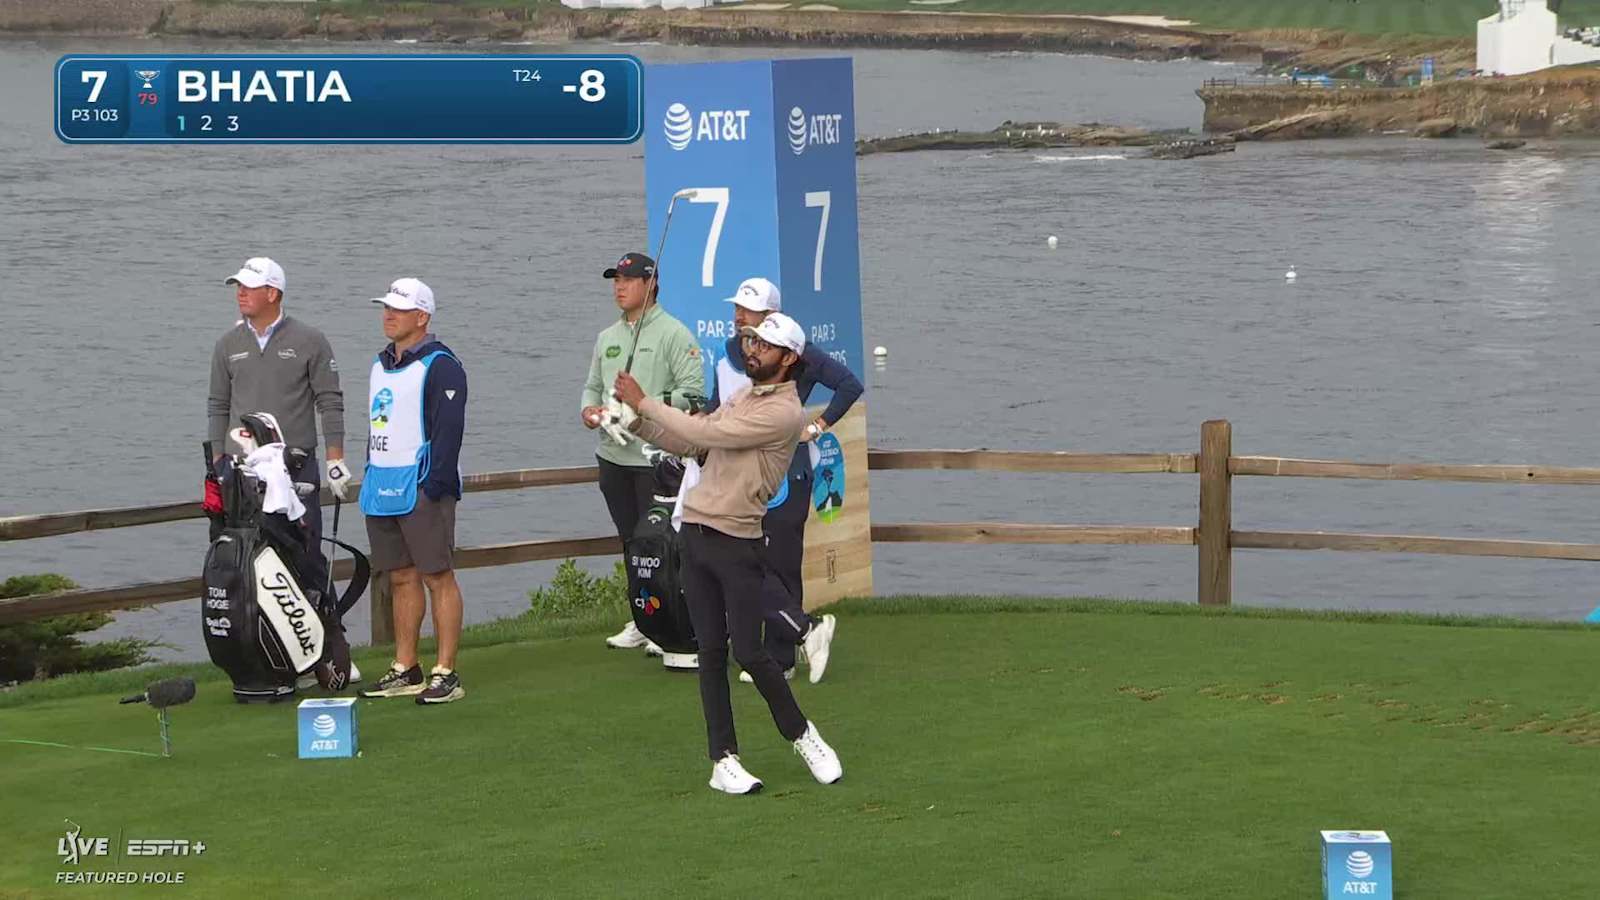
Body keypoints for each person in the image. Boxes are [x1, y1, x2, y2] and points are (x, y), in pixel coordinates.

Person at [614, 312, 842, 795]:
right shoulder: (742, 396)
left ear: (789, 359)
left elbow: (709, 436)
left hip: (738, 541)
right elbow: (692, 445)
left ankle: (803, 736)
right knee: (711, 653)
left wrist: (647, 402)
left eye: (763, 344)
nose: (751, 347)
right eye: (751, 340)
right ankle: (723, 759)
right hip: (695, 535)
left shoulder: (784, 413)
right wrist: (634, 421)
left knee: (750, 651)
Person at [709, 278, 863, 685]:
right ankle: (786, 641)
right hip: (744, 475)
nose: (738, 315)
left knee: (781, 563)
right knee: (748, 560)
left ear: (771, 316)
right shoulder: (728, 355)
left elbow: (850, 385)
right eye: (737, 307)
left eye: (748, 309)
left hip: (788, 473)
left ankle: (784, 657)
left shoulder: (799, 355)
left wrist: (816, 427)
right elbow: (716, 406)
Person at [579, 252, 706, 654]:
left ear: (650, 285)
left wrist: (645, 403)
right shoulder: (606, 338)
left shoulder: (673, 333)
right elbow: (591, 386)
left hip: (657, 459)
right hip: (614, 457)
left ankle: (673, 618)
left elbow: (694, 394)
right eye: (615, 279)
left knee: (666, 544)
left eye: (628, 279)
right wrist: (589, 410)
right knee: (631, 545)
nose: (619, 286)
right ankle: (642, 618)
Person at [355, 278, 470, 706]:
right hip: (383, 484)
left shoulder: (442, 364)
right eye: (386, 307)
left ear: (422, 317)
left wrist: (434, 486)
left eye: (398, 309)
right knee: (400, 576)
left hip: (423, 487)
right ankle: (407, 667)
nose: (388, 314)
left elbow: (449, 430)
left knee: (437, 576)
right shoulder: (379, 363)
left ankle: (446, 672)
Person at [207, 256, 351, 562]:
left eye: (249, 287)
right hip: (241, 470)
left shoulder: (310, 340)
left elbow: (330, 401)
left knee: (304, 553)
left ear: (272, 293)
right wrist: (217, 461)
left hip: (295, 467)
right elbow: (218, 404)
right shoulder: (227, 344)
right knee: (242, 558)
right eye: (239, 286)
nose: (240, 293)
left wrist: (335, 459)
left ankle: (317, 610)